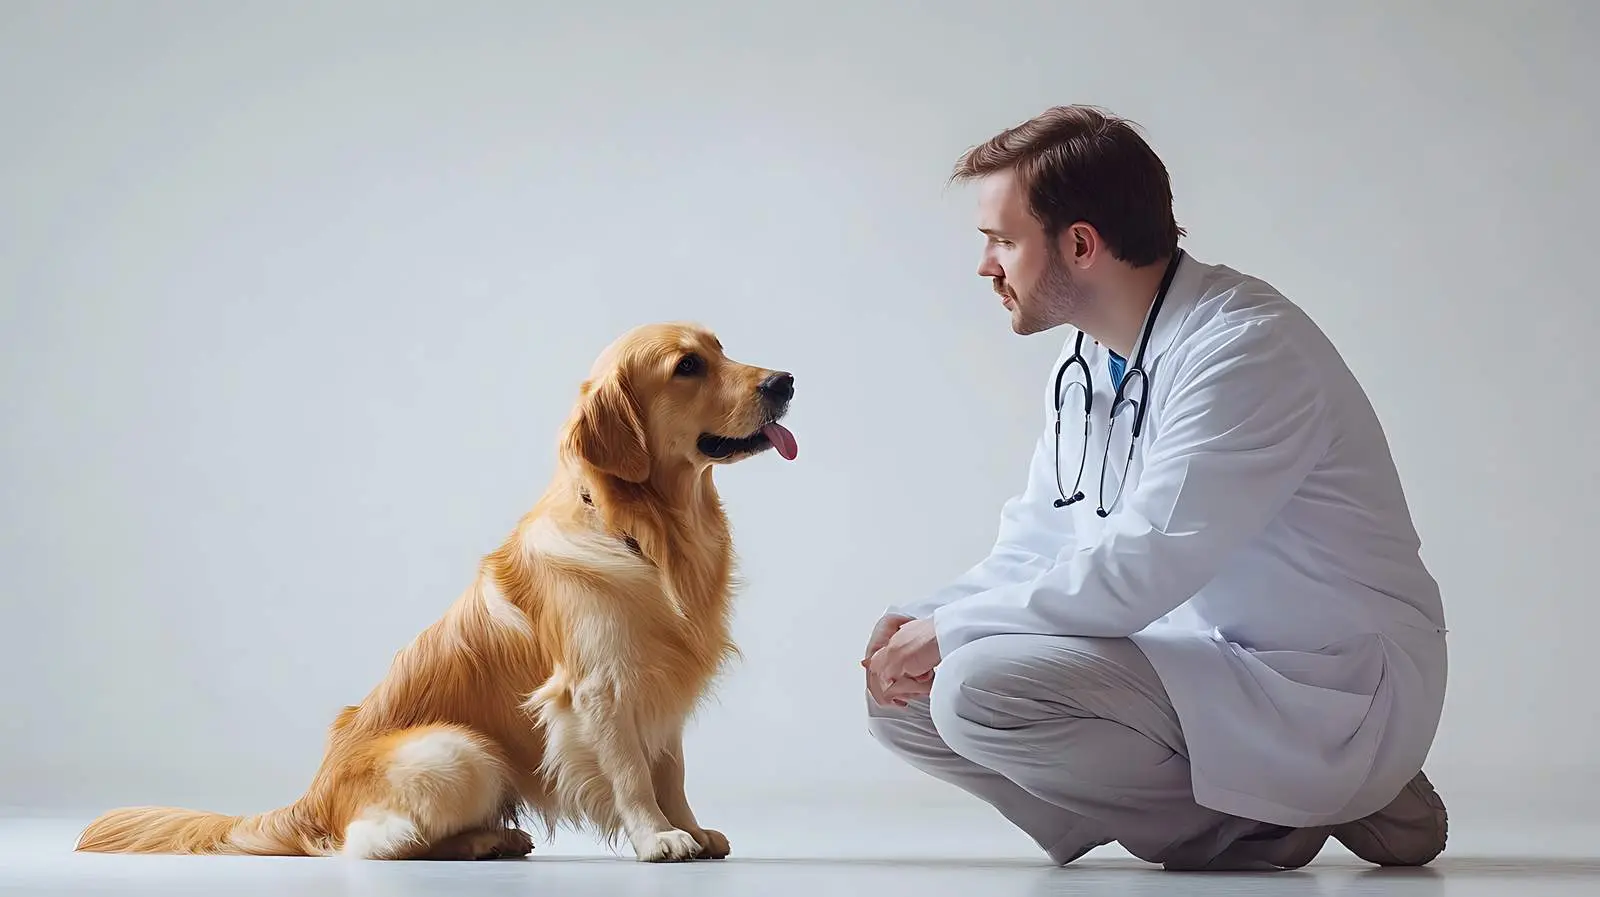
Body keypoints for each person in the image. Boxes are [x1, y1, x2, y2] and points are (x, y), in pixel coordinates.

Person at [861, 105, 1449, 872]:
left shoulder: (1245, 350)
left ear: (1079, 244)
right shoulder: (1087, 361)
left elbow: (1139, 571)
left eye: (1002, 241)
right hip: (1196, 661)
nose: (985, 266)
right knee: (901, 701)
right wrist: (929, 616)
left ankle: (1301, 805)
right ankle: (1270, 810)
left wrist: (953, 632)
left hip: (1324, 682)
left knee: (973, 684)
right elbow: (1039, 544)